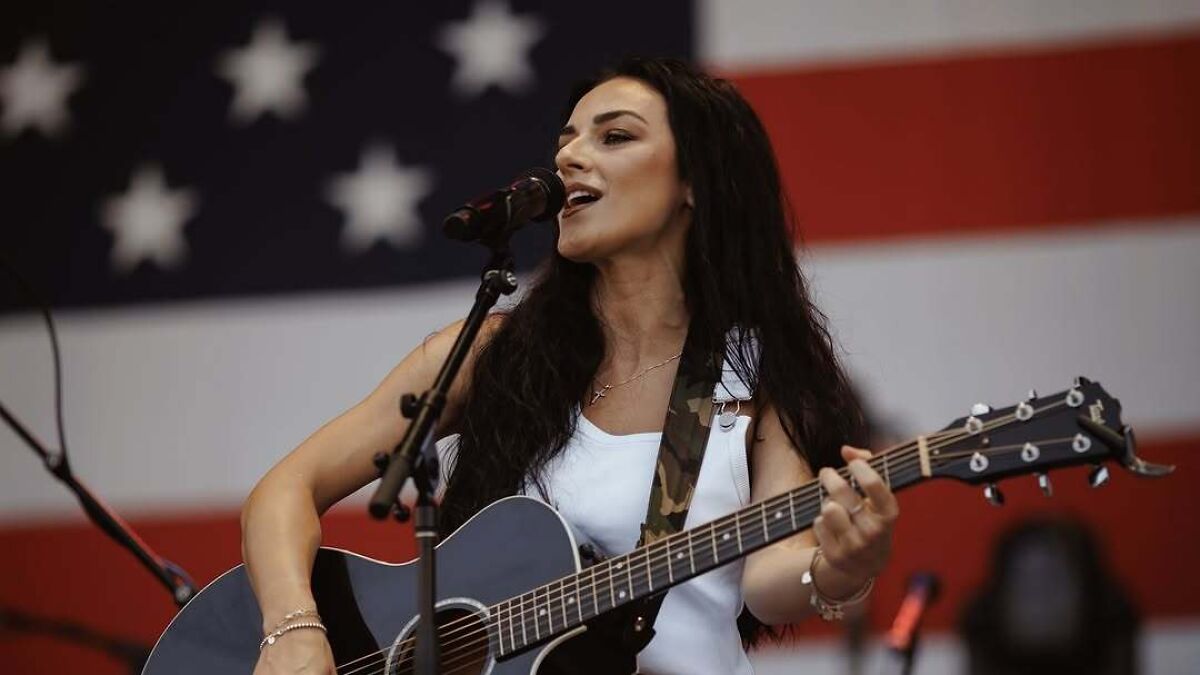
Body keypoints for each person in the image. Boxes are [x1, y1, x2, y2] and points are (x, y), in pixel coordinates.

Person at [242, 57, 900, 675]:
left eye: (615, 137)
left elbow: (770, 580)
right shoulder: (490, 355)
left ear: (695, 183)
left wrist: (840, 566)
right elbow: (285, 490)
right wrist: (293, 627)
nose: (568, 156)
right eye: (567, 139)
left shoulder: (752, 371)